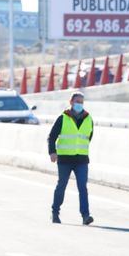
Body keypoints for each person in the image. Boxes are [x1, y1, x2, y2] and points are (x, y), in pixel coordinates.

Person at [48, 91, 94, 225]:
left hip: (81, 160)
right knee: (61, 186)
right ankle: (55, 212)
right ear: (71, 102)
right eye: (77, 101)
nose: (79, 104)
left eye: (81, 102)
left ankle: (85, 215)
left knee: (82, 188)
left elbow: (89, 137)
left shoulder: (88, 118)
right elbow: (52, 136)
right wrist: (52, 152)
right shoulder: (63, 118)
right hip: (65, 159)